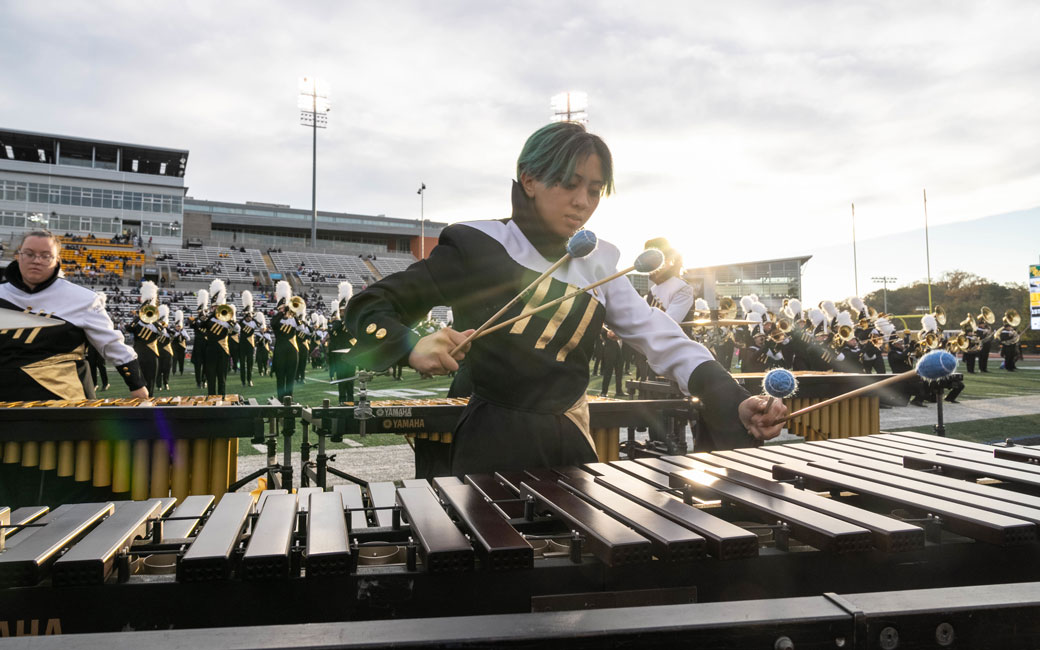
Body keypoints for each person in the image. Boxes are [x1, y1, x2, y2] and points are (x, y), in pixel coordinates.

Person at [345, 122, 785, 479]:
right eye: (570, 184)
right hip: (489, 440)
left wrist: (730, 396)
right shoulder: (478, 244)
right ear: (530, 180)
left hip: (570, 442)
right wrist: (410, 344)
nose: (583, 202)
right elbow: (371, 305)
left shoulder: (603, 263)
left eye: (594, 190)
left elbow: (660, 337)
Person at [0, 230, 146, 402]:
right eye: (29, 254)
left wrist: (136, 384)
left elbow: (111, 343)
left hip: (64, 399)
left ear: (57, 261)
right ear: (19, 256)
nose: (36, 260)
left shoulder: (83, 299)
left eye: (46, 255)